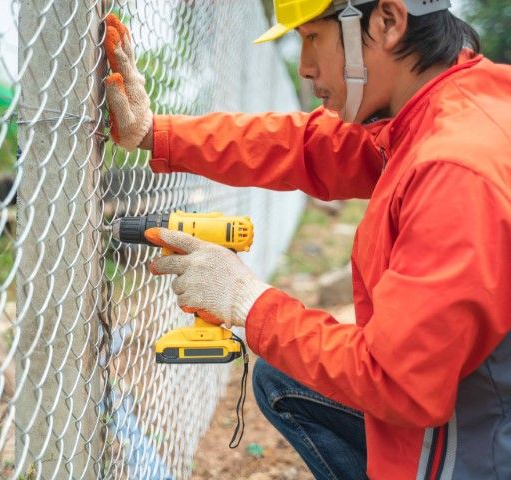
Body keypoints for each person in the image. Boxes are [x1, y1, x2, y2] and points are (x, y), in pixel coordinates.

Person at [103, 0, 511, 478]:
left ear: (388, 21)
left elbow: (400, 386)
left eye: (313, 37)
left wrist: (249, 303)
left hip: (476, 446)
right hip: (476, 401)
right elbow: (309, 145)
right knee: (285, 375)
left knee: (291, 365)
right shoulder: (455, 105)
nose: (305, 66)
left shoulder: (456, 168)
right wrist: (159, 134)